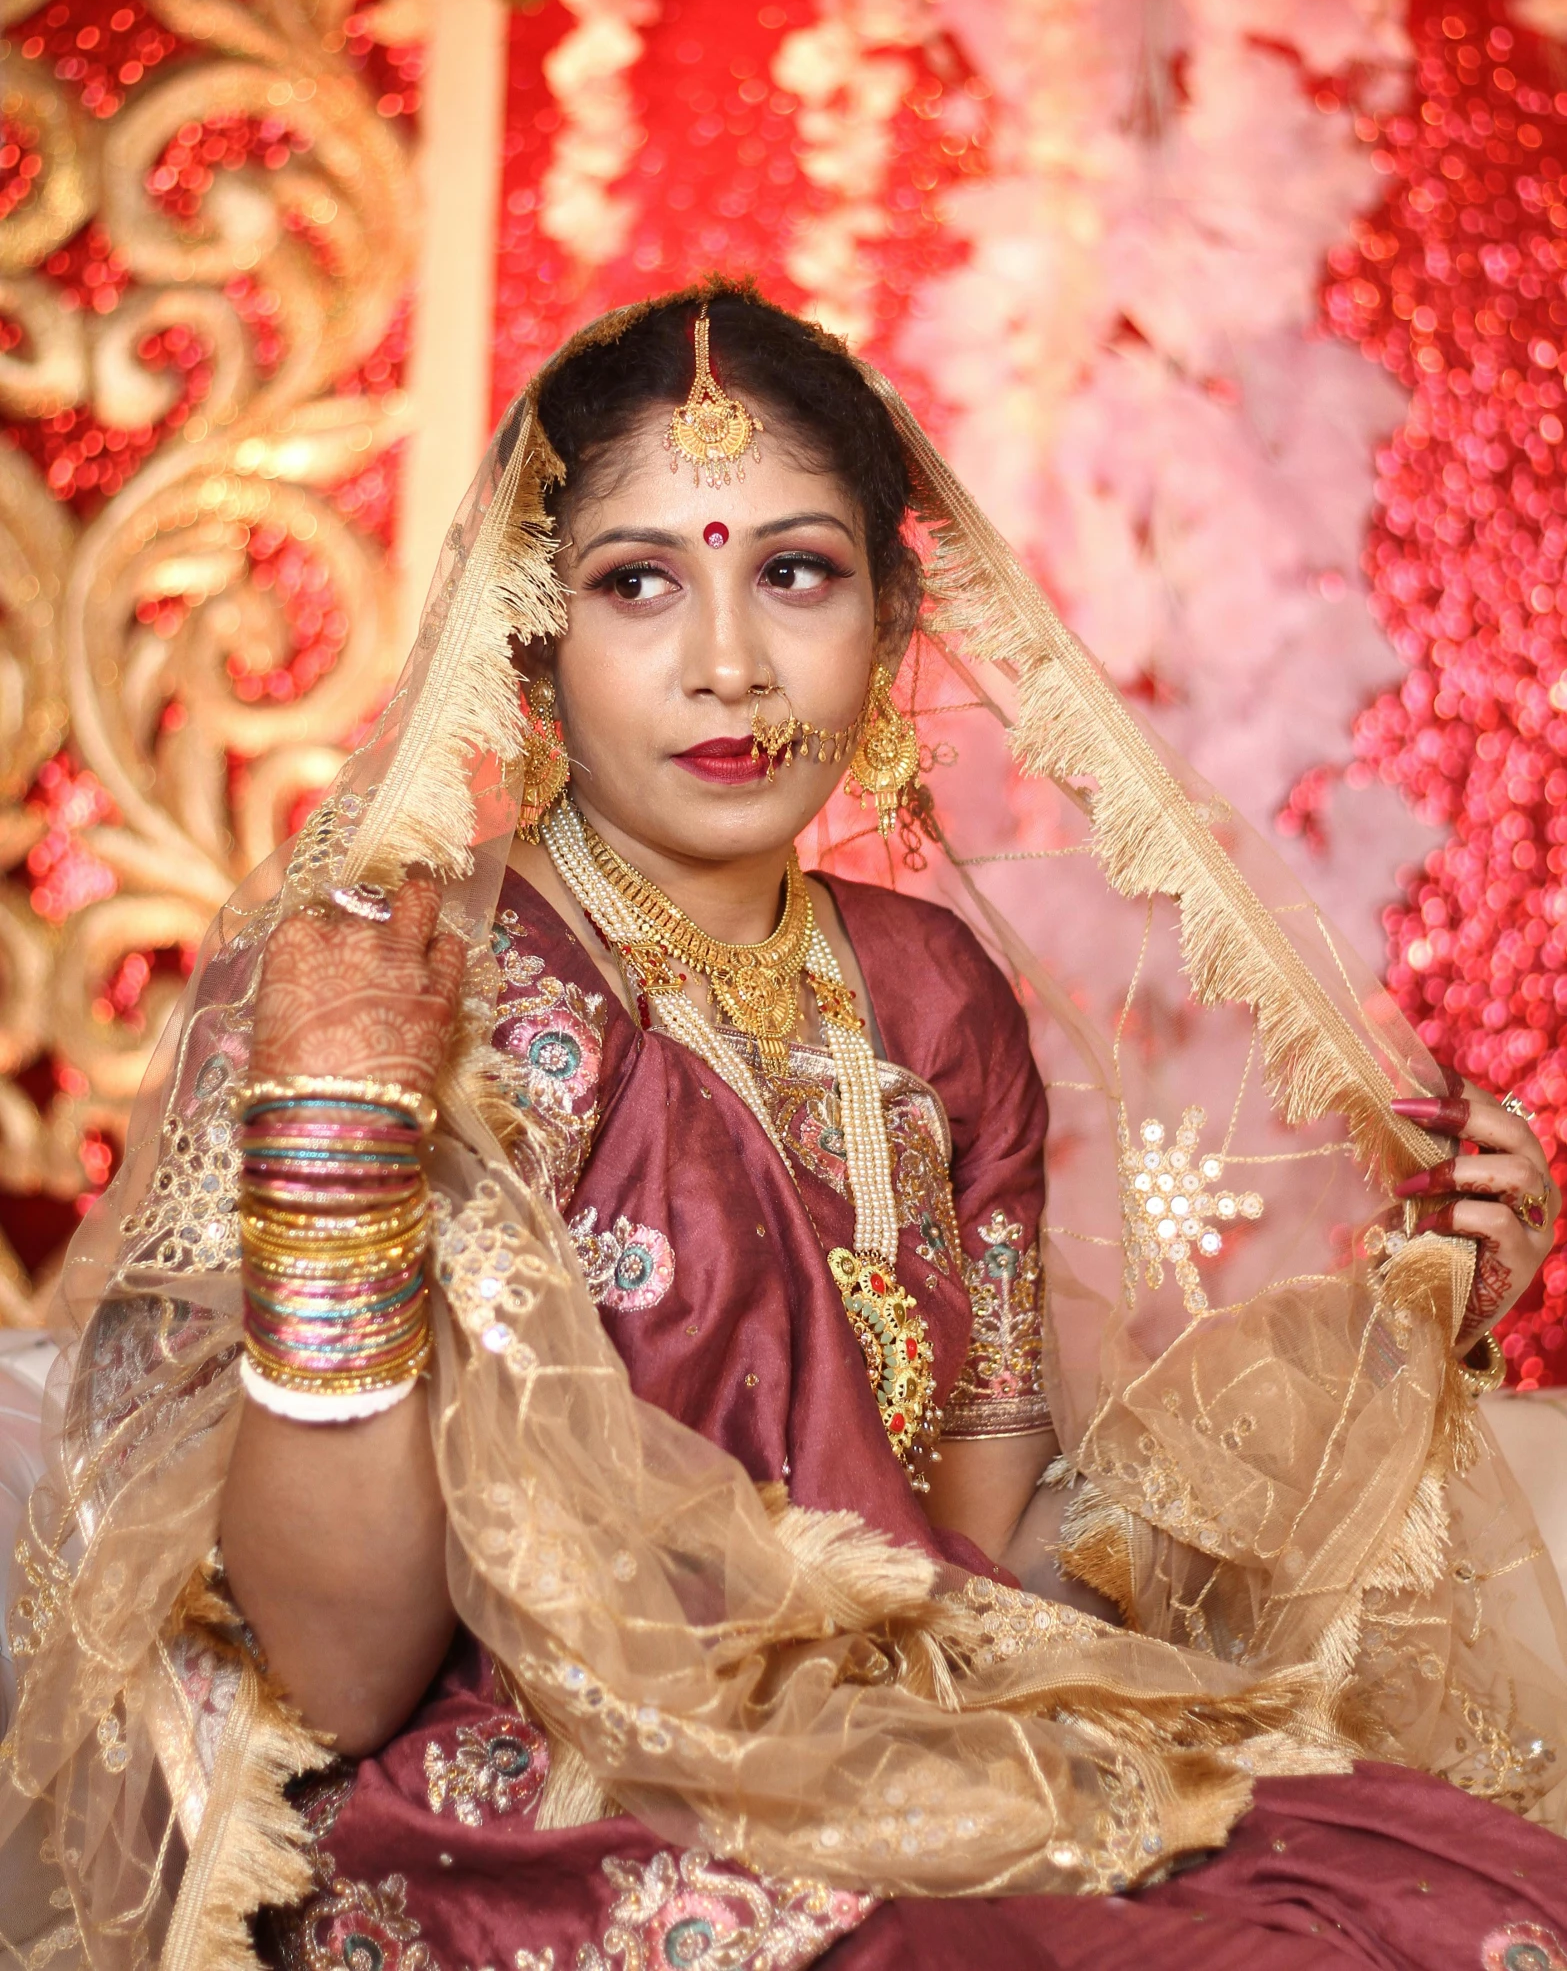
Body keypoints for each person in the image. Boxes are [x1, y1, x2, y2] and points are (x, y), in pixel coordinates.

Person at [3, 285, 1566, 1971]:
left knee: (1443, 1906)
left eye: (794, 572)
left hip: (913, 1755)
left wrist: (1401, 1317)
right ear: (529, 634)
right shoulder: (386, 985)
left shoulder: (932, 998)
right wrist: (332, 1141)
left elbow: (971, 1554)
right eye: (637, 581)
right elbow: (336, 1667)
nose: (728, 661)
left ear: (891, 622)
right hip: (526, 1815)